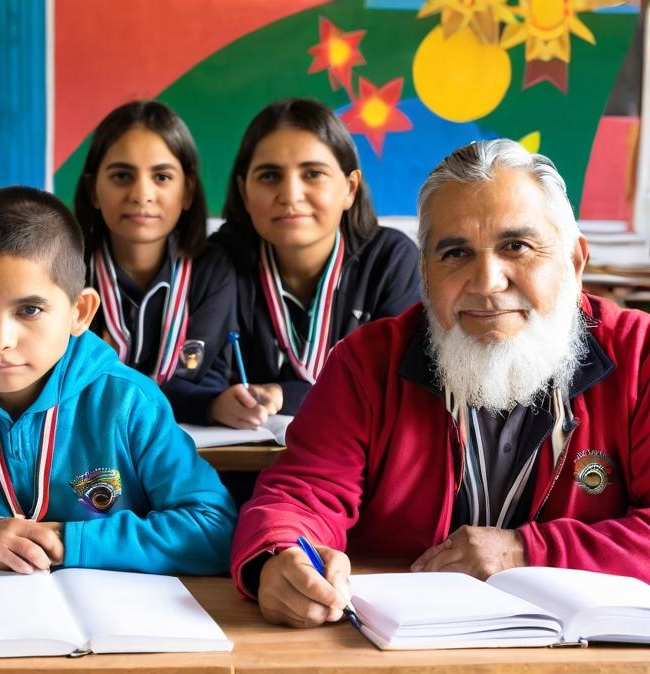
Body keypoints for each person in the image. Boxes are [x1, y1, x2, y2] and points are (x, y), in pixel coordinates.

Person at [232, 138, 650, 627]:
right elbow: (302, 494)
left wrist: (522, 550)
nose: (487, 281)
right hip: (397, 658)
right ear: (426, 276)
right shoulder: (367, 363)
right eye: (455, 253)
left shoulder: (640, 357)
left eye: (517, 246)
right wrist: (281, 555)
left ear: (574, 262)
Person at [0, 186, 236, 575]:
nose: (0, 341)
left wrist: (70, 541)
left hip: (116, 621)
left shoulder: (131, 402)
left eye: (29, 310)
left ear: (80, 312)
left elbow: (213, 527)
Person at [210, 98, 419, 429]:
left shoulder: (391, 261)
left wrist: (286, 395)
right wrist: (213, 404)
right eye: (269, 176)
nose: (291, 195)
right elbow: (194, 375)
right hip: (243, 466)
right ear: (244, 191)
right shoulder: (219, 261)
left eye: (313, 174)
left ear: (350, 188)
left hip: (360, 468)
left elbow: (396, 385)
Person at [73, 100, 235, 425]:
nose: (141, 194)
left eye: (162, 177)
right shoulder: (65, 266)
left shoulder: (211, 269)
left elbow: (204, 378)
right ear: (93, 190)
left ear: (187, 191)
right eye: (122, 176)